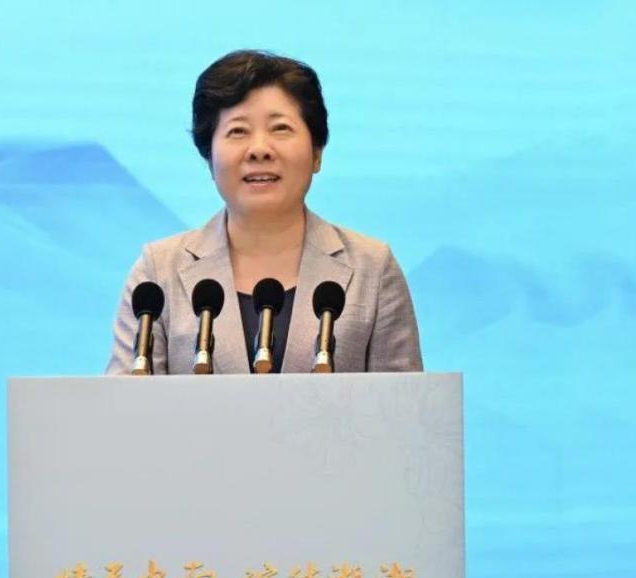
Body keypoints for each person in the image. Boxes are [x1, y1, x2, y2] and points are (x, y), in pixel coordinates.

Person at [105, 50, 422, 375]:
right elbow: (124, 403)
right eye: (238, 131)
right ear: (209, 158)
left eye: (280, 128)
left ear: (316, 153)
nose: (259, 150)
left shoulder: (373, 268)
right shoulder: (158, 273)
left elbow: (405, 403)